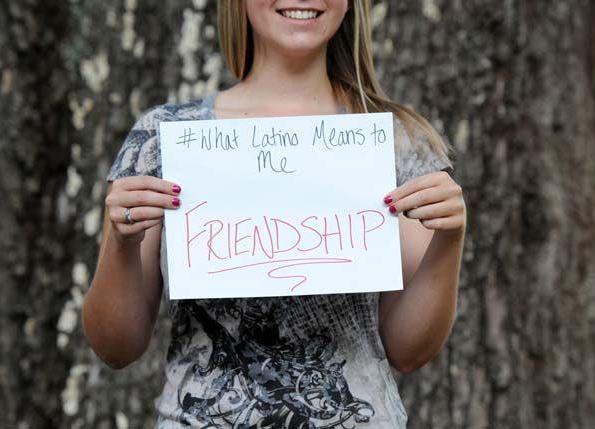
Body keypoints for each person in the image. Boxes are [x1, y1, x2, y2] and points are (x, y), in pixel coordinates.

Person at [82, 1, 466, 428]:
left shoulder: (395, 144)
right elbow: (115, 347)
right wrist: (121, 243)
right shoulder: (161, 139)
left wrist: (449, 241)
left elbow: (408, 351)